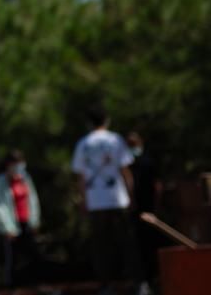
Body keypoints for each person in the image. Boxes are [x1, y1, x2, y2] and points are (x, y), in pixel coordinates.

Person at [71, 106, 142, 295]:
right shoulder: (115, 140)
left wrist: (84, 200)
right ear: (107, 120)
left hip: (96, 201)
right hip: (117, 198)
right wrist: (131, 195)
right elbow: (125, 170)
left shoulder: (83, 144)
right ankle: (137, 282)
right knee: (126, 242)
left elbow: (81, 178)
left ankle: (106, 285)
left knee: (102, 245)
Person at [0, 150, 41, 288]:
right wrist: (8, 227)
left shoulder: (25, 178)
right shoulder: (0, 181)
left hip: (27, 222)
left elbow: (33, 199)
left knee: (31, 255)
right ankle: (11, 286)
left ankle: (31, 284)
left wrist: (35, 220)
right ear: (8, 165)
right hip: (10, 226)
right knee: (11, 258)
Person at [125, 132, 161, 291]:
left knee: (150, 245)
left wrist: (156, 207)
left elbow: (157, 186)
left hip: (149, 209)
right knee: (136, 247)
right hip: (134, 211)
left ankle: (153, 279)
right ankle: (141, 282)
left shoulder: (148, 162)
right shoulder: (127, 164)